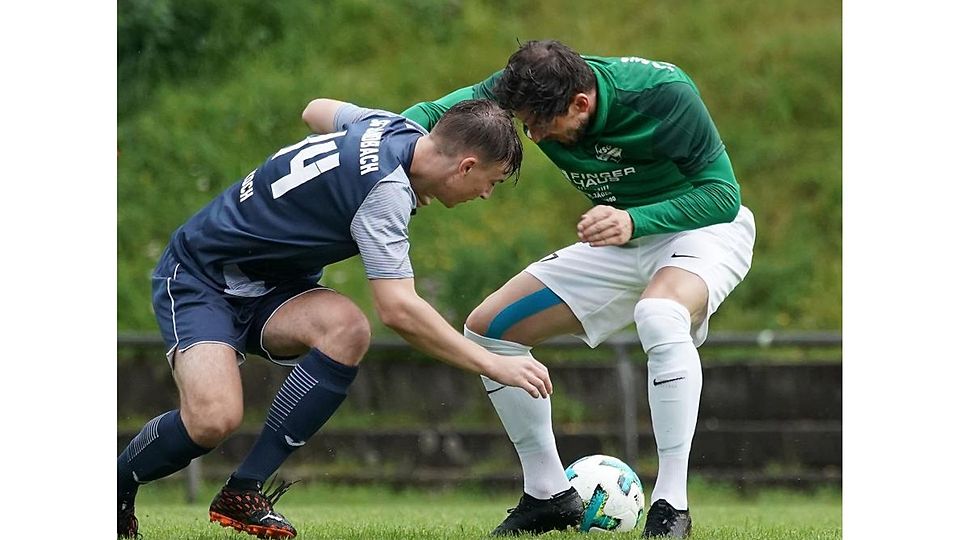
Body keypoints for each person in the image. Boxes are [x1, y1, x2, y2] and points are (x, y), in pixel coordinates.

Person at [117, 98, 554, 539]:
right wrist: (492, 363)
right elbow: (399, 310)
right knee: (213, 420)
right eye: (491, 182)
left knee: (346, 329)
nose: (486, 194)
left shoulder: (391, 127)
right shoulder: (385, 193)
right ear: (466, 166)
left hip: (273, 287)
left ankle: (244, 490)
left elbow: (314, 110)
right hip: (201, 277)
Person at [398, 40, 756, 538]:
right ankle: (549, 495)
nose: (534, 136)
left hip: (701, 230)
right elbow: (427, 116)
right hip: (618, 236)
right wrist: (371, 152)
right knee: (490, 329)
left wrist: (634, 220)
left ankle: (671, 506)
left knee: (658, 314)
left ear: (581, 103)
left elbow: (722, 195)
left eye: (541, 126)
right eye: (526, 124)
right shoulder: (523, 87)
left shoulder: (662, 93)